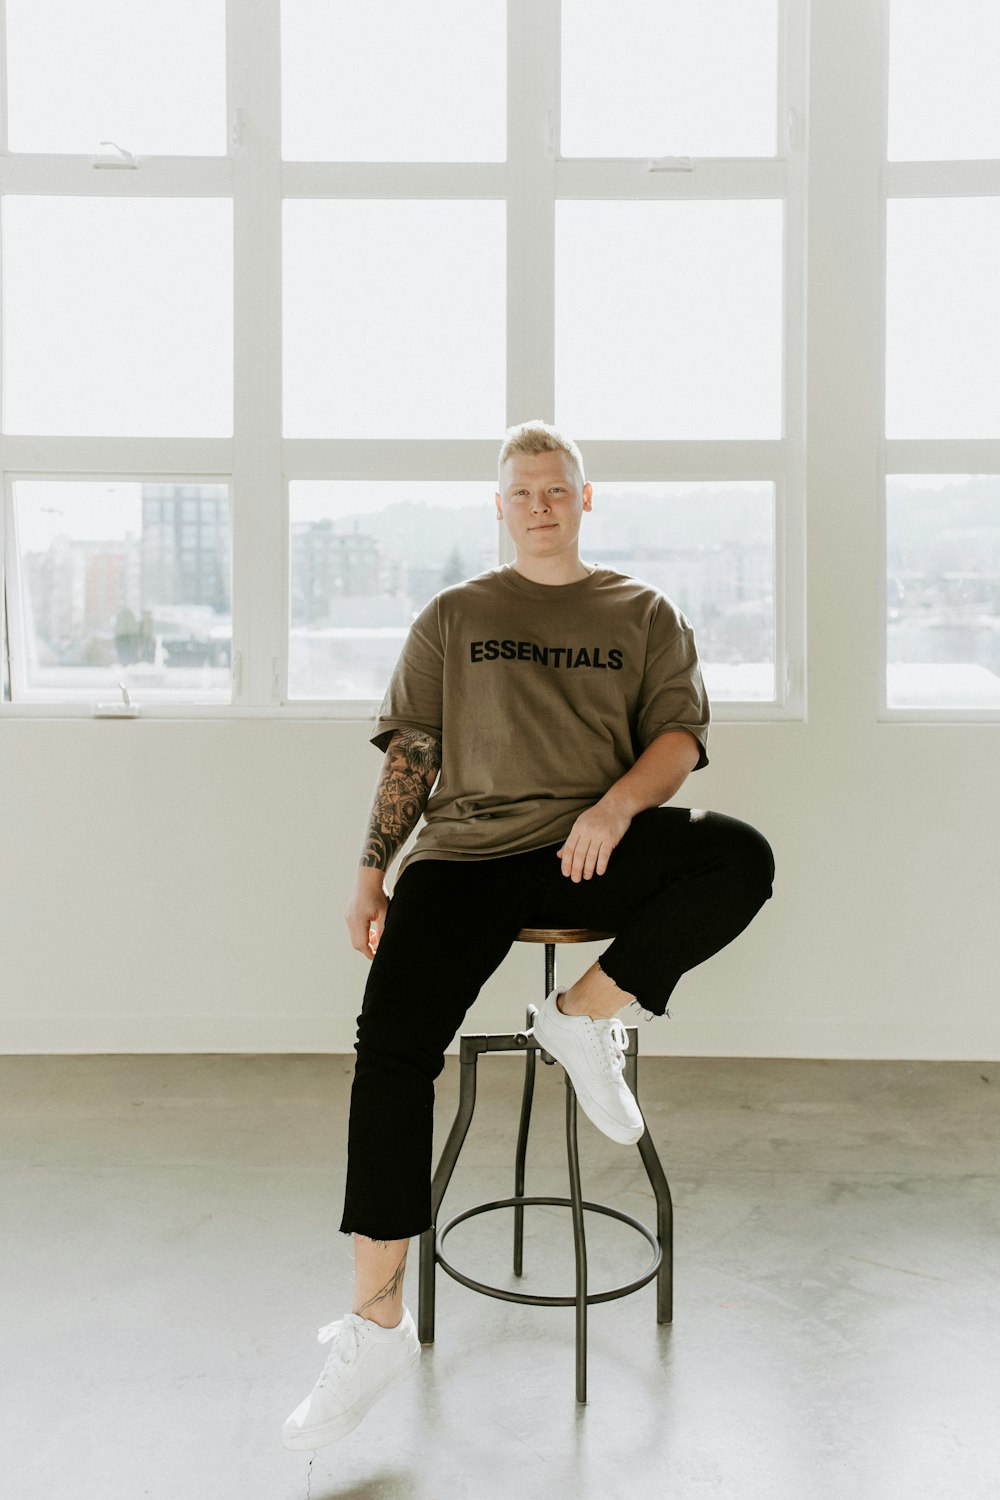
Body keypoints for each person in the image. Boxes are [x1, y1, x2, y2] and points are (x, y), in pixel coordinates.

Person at [282, 420, 775, 1451]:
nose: (539, 505)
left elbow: (679, 739)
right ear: (499, 507)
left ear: (583, 499)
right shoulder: (455, 615)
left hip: (592, 846)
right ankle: (376, 1323)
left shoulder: (641, 610)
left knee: (737, 856)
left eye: (556, 489)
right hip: (465, 856)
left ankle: (580, 1015)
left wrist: (612, 811)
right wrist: (370, 872)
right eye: (521, 492)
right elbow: (412, 753)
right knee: (389, 1056)